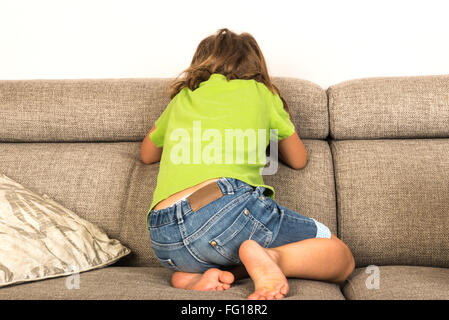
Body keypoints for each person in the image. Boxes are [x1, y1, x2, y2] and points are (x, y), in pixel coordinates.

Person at [141, 28, 355, 300]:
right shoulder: (261, 93)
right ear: (256, 66)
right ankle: (269, 257)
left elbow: (147, 154)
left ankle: (195, 276)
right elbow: (299, 159)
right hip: (223, 207)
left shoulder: (183, 98)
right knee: (340, 255)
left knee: (213, 247)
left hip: (164, 236)